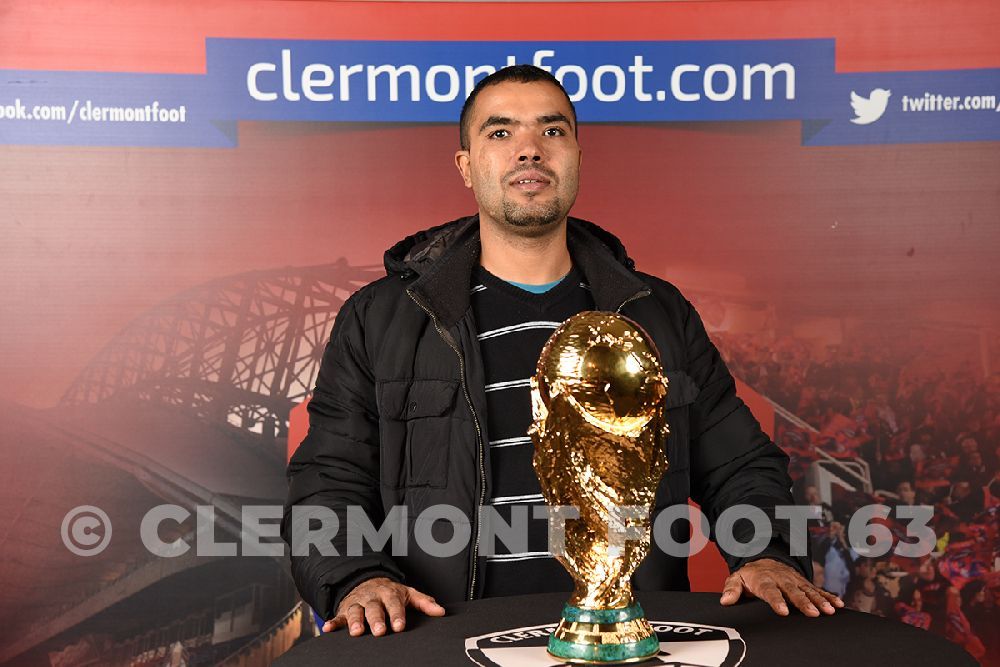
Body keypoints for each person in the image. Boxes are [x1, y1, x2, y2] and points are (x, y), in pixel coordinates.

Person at [280, 64, 843, 639]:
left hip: (629, 640)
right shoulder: (382, 320)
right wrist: (357, 577)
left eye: (552, 131)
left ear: (576, 156)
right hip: (446, 641)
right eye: (501, 132)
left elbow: (740, 463)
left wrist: (767, 554)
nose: (529, 149)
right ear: (466, 167)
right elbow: (329, 478)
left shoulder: (657, 313)